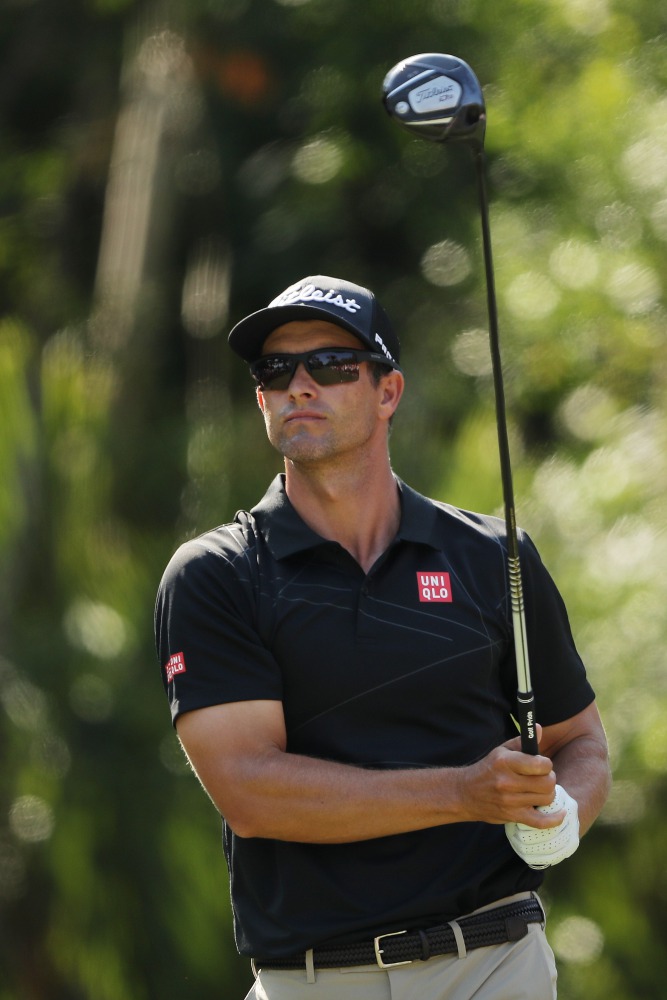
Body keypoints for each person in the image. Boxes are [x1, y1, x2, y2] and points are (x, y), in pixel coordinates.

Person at [155, 275, 611, 1000]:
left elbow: (579, 741)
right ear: (260, 398)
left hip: (497, 962)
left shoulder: (495, 558)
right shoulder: (215, 575)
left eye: (331, 365)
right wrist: (466, 793)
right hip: (314, 979)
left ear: (387, 391)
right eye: (275, 371)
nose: (299, 385)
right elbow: (250, 790)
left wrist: (562, 815)